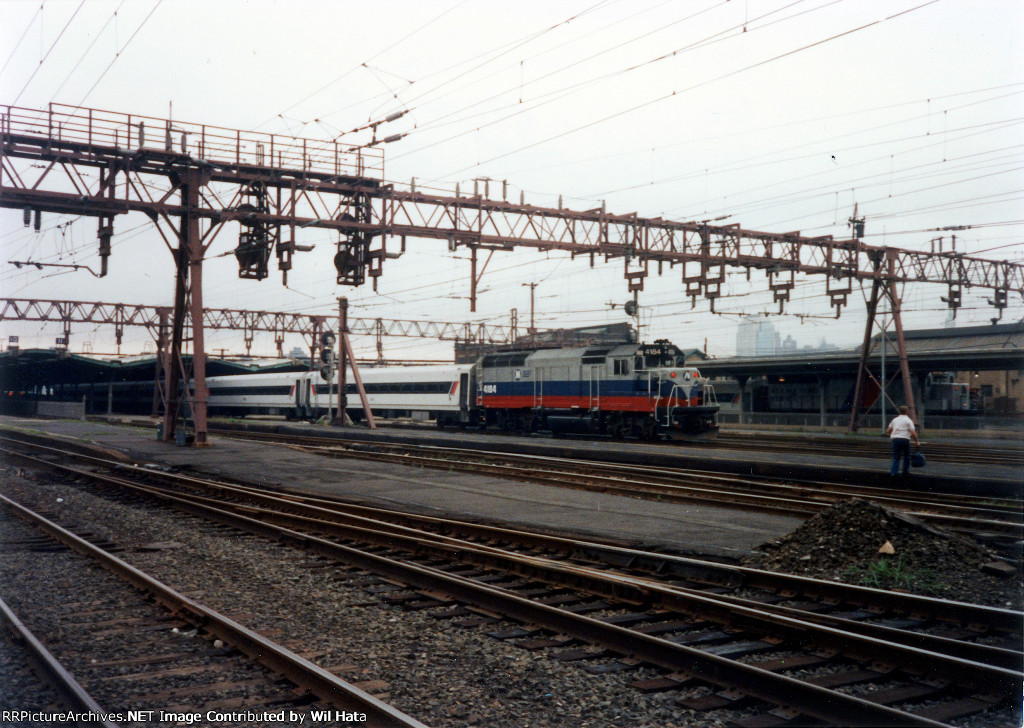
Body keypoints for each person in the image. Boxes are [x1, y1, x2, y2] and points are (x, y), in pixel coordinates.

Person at [886, 405, 919, 476]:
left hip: (895, 439)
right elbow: (913, 433)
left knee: (896, 457)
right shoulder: (908, 420)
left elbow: (888, 430)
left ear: (899, 411)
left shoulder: (894, 420)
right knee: (907, 456)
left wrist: (891, 435)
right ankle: (905, 471)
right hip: (905, 439)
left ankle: (894, 473)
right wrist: (917, 441)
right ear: (907, 412)